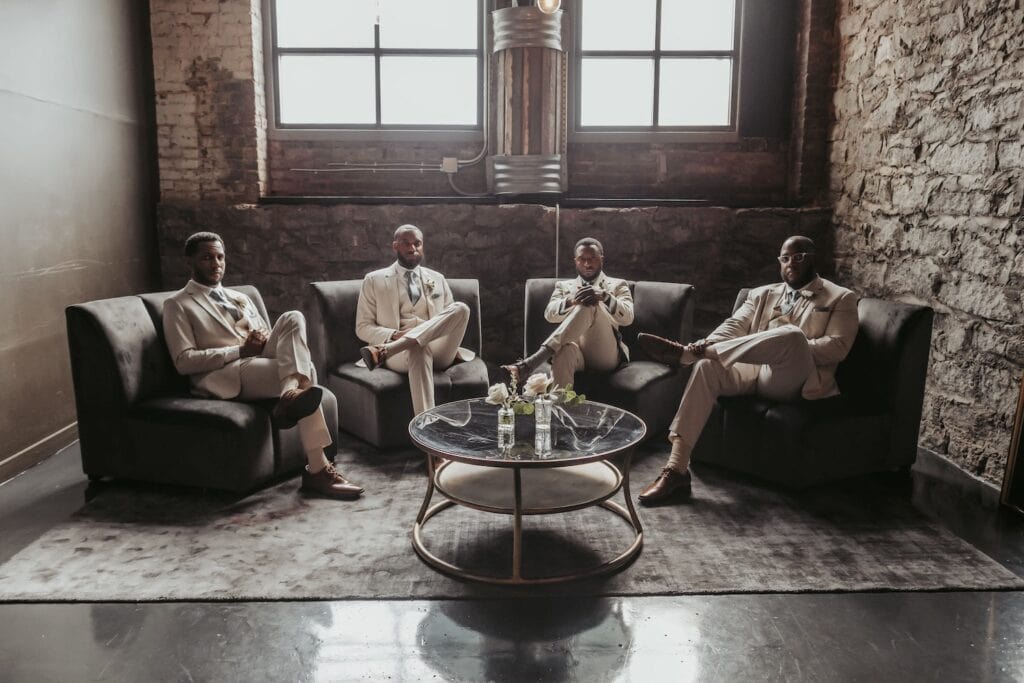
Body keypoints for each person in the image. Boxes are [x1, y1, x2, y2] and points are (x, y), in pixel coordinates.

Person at [636, 236, 859, 504]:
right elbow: (733, 327)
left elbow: (838, 348)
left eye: (799, 257)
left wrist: (791, 347)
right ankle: (676, 470)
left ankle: (685, 356)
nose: (791, 263)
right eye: (785, 258)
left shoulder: (841, 298)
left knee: (790, 335)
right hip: (754, 372)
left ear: (814, 258)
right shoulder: (761, 294)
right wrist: (704, 346)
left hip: (796, 378)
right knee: (707, 365)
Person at [163, 232, 363, 501]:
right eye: (207, 257)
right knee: (307, 376)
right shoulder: (178, 304)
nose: (216, 263)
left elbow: (274, 341)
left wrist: (263, 341)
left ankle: (290, 393)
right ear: (190, 261)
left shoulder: (240, 297)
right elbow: (183, 361)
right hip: (224, 373)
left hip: (255, 361)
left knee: (293, 317)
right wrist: (239, 350)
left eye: (220, 257)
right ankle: (317, 468)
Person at [356, 224, 473, 415]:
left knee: (461, 308)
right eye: (406, 244)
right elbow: (362, 327)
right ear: (395, 246)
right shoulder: (373, 280)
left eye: (417, 243)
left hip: (439, 350)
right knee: (418, 347)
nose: (412, 248)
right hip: (399, 356)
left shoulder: (438, 278)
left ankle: (386, 350)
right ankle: (426, 428)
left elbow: (449, 320)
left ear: (423, 245)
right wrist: (394, 334)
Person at [501, 237, 633, 388]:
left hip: (604, 353)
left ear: (601, 259)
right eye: (582, 259)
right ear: (575, 261)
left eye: (593, 259)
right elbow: (549, 315)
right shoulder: (563, 286)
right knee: (564, 350)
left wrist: (604, 296)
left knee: (591, 303)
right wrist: (570, 301)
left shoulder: (618, 284)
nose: (587, 264)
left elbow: (628, 318)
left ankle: (532, 362)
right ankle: (559, 407)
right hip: (575, 351)